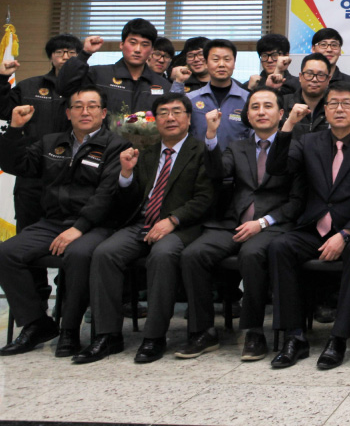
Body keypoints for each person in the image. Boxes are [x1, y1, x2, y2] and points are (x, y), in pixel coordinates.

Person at [75, 92, 214, 364]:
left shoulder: (201, 151)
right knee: (105, 253)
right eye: (163, 113)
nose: (170, 117)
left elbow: (205, 198)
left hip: (180, 226)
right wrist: (126, 175)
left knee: (162, 256)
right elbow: (129, 200)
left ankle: (154, 336)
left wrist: (172, 220)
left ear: (188, 118)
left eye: (177, 112)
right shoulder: (147, 153)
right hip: (141, 223)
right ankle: (108, 335)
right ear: (155, 120)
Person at [176, 87, 303, 361]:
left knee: (252, 254)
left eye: (267, 106)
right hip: (233, 224)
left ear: (281, 113)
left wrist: (263, 222)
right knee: (193, 254)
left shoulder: (296, 147)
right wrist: (211, 135)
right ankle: (203, 331)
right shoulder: (238, 146)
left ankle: (253, 332)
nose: (260, 111)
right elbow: (216, 172)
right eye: (254, 106)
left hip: (274, 224)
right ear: (247, 114)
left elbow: (297, 200)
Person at [0, 87, 128, 358]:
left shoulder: (117, 146)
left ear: (103, 113)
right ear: (68, 113)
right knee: (7, 253)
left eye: (92, 106)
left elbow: (107, 195)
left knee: (78, 254)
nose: (85, 111)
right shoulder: (51, 142)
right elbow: (16, 165)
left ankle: (69, 329)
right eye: (78, 106)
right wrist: (14, 130)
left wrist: (78, 228)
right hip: (52, 222)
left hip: (96, 225)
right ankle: (37, 324)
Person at [266, 83, 350, 370]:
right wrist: (287, 127)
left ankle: (339, 337)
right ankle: (294, 336)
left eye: (346, 103)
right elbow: (276, 168)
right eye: (333, 104)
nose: (340, 109)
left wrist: (345, 233)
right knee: (280, 246)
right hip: (314, 228)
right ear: (325, 111)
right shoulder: (308, 142)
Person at [0, 34, 81, 246]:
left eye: (71, 53)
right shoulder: (30, 87)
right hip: (33, 172)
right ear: (50, 57)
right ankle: (35, 281)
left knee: (69, 243)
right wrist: (1, 78)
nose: (65, 57)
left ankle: (62, 281)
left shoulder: (87, 92)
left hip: (73, 177)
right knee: (27, 239)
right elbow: (3, 110)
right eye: (59, 52)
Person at [57, 18, 176, 115]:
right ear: (121, 45)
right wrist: (85, 54)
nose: (138, 50)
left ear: (151, 51)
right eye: (133, 43)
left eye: (145, 45)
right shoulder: (98, 75)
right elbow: (64, 87)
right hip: (102, 144)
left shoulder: (164, 86)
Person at [186, 39, 250, 149]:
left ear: (234, 63)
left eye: (227, 59)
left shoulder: (248, 99)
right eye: (215, 59)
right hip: (199, 163)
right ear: (206, 63)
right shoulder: (190, 99)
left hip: (237, 163)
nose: (221, 64)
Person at [281, 53, 331, 140]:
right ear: (300, 77)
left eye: (320, 75)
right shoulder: (283, 103)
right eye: (309, 74)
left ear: (328, 79)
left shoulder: (334, 107)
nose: (314, 79)